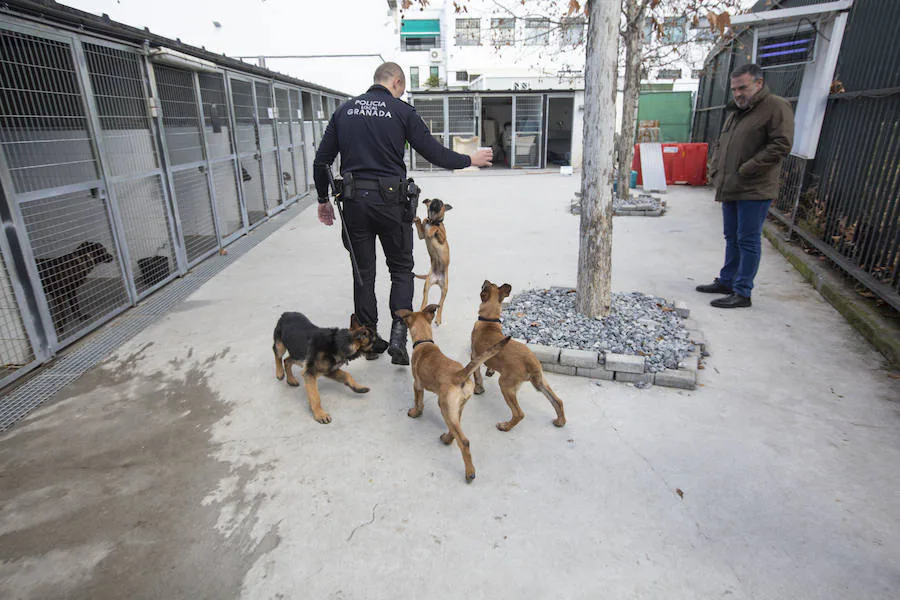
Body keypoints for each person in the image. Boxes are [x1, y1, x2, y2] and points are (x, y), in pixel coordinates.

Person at [313, 62, 492, 365]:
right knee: (400, 270)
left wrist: (322, 199)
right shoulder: (401, 111)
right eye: (402, 88)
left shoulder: (344, 111)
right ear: (396, 82)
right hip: (392, 204)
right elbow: (433, 152)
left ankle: (367, 341)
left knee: (364, 274)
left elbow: (322, 162)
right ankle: (399, 332)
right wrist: (468, 159)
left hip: (354, 203)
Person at [698, 63, 794, 308]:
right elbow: (724, 144)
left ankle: (742, 292)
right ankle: (727, 280)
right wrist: (716, 170)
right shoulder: (738, 111)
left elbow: (781, 145)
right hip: (730, 184)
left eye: (743, 87)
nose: (738, 93)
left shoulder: (775, 107)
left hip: (754, 187)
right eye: (734, 89)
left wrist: (748, 168)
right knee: (732, 236)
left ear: (759, 83)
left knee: (747, 239)